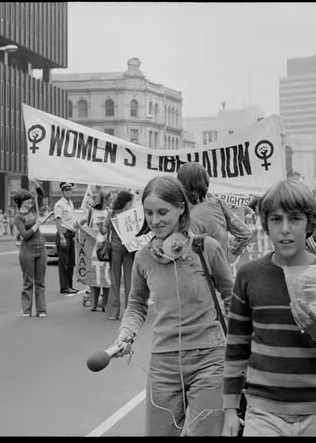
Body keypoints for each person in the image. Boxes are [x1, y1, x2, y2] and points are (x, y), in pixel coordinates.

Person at [222, 179, 316, 437]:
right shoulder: (248, 276)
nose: (285, 229)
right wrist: (231, 409)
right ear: (265, 224)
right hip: (263, 412)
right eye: (276, 219)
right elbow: (236, 347)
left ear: (310, 223)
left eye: (295, 219)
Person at [110, 175, 234, 436]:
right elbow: (136, 304)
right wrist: (126, 333)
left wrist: (239, 347)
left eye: (163, 212)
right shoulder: (143, 258)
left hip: (210, 360)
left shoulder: (207, 249)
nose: (155, 221)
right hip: (163, 364)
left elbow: (231, 296)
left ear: (181, 208)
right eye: (149, 213)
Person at [177, 162, 253, 259]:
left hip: (197, 272)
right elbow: (245, 234)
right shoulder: (217, 203)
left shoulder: (183, 215)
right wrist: (229, 257)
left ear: (180, 185)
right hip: (222, 270)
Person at [12, 189, 49, 318]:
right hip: (28, 250)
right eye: (28, 200)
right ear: (22, 202)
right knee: (28, 281)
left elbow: (40, 196)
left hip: (40, 249)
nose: (30, 202)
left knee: (40, 282)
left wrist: (38, 188)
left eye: (30, 200)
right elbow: (25, 235)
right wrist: (36, 225)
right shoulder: (18, 218)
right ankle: (27, 310)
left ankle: (41, 310)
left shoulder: (34, 210)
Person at [100, 190, 136, 320]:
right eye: (130, 202)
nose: (132, 204)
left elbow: (103, 230)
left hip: (116, 249)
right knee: (129, 282)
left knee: (115, 281)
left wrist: (103, 225)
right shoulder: (131, 214)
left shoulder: (112, 213)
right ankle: (129, 312)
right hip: (128, 249)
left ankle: (113, 312)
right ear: (126, 202)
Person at [84, 189, 113, 312]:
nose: (111, 202)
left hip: (105, 247)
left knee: (105, 276)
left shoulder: (109, 212)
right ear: (104, 200)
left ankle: (105, 303)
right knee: (94, 275)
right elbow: (83, 223)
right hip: (93, 247)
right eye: (110, 199)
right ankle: (94, 303)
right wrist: (77, 227)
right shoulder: (91, 211)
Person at [54, 182, 79, 294]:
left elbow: (71, 221)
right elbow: (58, 220)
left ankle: (69, 285)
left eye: (70, 190)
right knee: (64, 262)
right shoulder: (60, 204)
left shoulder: (70, 203)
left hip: (71, 234)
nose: (68, 192)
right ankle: (64, 287)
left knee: (71, 262)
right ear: (62, 191)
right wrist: (61, 236)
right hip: (64, 234)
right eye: (66, 190)